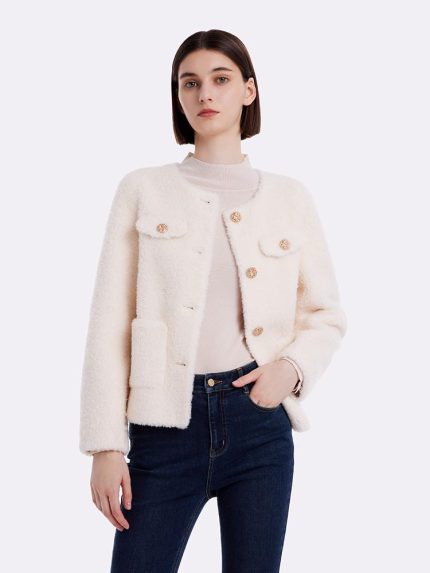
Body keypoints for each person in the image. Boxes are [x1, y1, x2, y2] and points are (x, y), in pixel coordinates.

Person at [79, 29, 347, 573]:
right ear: (178, 96)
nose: (205, 93)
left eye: (221, 80)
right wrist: (105, 446)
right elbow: (110, 322)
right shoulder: (143, 189)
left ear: (248, 90)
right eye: (190, 83)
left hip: (258, 426)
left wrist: (290, 370)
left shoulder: (290, 197)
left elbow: (325, 314)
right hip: (162, 429)